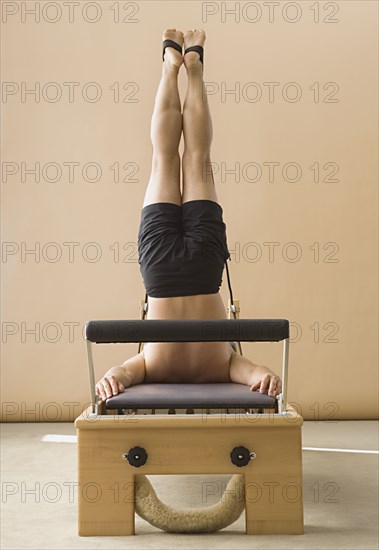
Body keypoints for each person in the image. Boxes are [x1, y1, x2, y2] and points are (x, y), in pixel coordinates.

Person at [96, 29, 282, 402]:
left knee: (195, 158)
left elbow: (120, 372)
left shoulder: (221, 364)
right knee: (166, 160)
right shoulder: (207, 365)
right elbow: (122, 371)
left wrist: (111, 378)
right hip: (161, 271)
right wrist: (265, 377)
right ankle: (172, 66)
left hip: (202, 267)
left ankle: (190, 67)